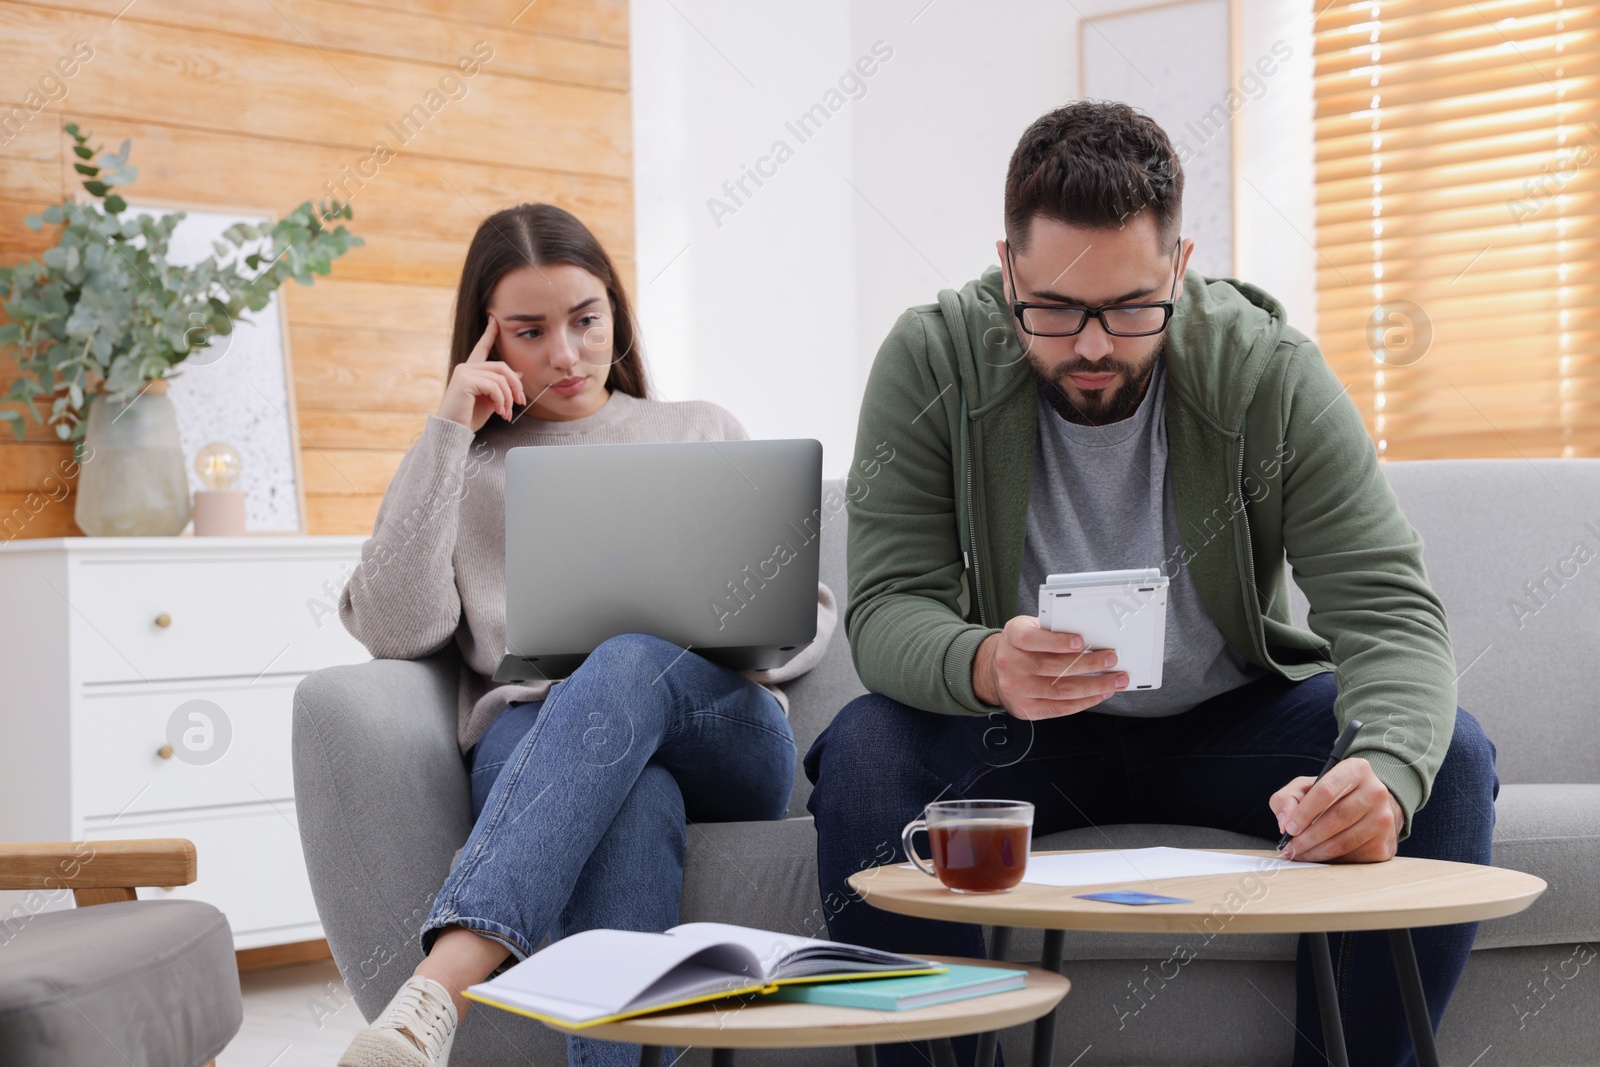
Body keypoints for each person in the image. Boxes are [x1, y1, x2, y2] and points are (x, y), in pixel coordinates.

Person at [805, 101, 1497, 1067]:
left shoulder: (1270, 373)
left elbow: (1387, 608)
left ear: (1180, 266)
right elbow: (884, 610)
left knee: (1447, 759)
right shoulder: (932, 358)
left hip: (1232, 726)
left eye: (1133, 308)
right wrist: (985, 661)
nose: (1092, 347)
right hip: (1022, 733)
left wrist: (1382, 772)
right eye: (1051, 308)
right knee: (867, 751)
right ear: (1006, 268)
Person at [335, 203, 836, 1067]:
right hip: (540, 733)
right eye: (530, 331)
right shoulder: (471, 464)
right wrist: (449, 431)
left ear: (617, 313)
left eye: (586, 320)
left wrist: (739, 629)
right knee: (633, 797)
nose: (564, 354)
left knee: (631, 656)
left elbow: (811, 614)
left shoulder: (698, 427)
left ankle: (433, 992)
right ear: (485, 341)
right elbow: (394, 628)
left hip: (723, 727)